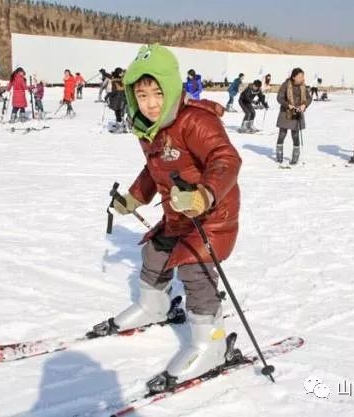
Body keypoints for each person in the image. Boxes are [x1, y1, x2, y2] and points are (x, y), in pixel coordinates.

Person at [91, 44, 242, 394]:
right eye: (141, 94)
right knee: (155, 253)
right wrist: (133, 198)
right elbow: (153, 169)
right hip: (178, 213)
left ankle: (211, 343)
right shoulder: (151, 128)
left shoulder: (195, 121)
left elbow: (227, 159)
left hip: (212, 214)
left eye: (157, 92)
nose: (150, 102)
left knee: (195, 268)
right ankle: (153, 305)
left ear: (172, 87)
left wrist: (203, 194)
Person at [275, 68, 312, 165]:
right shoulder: (286, 84)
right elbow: (279, 97)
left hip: (297, 113)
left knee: (295, 135)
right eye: (300, 76)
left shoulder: (303, 86)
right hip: (286, 113)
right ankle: (279, 153)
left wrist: (304, 105)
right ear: (293, 77)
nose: (302, 78)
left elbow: (309, 98)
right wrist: (288, 105)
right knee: (282, 134)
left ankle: (296, 155)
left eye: (303, 76)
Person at [107, 67, 128, 133]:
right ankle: (123, 126)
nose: (121, 73)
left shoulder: (118, 80)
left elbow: (118, 89)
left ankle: (120, 127)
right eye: (120, 72)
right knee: (120, 112)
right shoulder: (118, 79)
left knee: (118, 111)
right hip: (120, 97)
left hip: (119, 98)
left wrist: (109, 95)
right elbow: (110, 76)